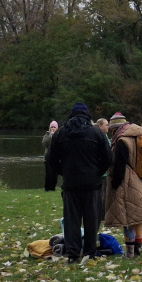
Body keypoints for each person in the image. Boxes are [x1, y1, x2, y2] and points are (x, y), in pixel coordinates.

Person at [46, 102, 113, 264]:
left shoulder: (60, 134)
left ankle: (73, 254)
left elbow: (51, 159)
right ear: (87, 115)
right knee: (92, 219)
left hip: (70, 183)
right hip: (92, 184)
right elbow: (108, 158)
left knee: (71, 220)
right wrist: (97, 172)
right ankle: (90, 252)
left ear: (72, 115)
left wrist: (64, 172)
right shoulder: (96, 132)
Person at [104, 112, 142, 257]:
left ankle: (130, 252)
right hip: (140, 180)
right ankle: (138, 249)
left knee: (127, 219)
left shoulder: (122, 141)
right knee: (137, 218)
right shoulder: (139, 136)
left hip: (127, 183)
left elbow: (119, 165)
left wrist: (114, 184)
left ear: (116, 128)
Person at [42, 120, 58, 190]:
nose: (53, 128)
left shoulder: (59, 135)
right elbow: (44, 144)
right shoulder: (46, 135)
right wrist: (50, 136)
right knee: (48, 173)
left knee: (55, 174)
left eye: (54, 127)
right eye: (52, 127)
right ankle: (47, 188)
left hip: (56, 158)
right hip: (47, 158)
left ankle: (53, 188)